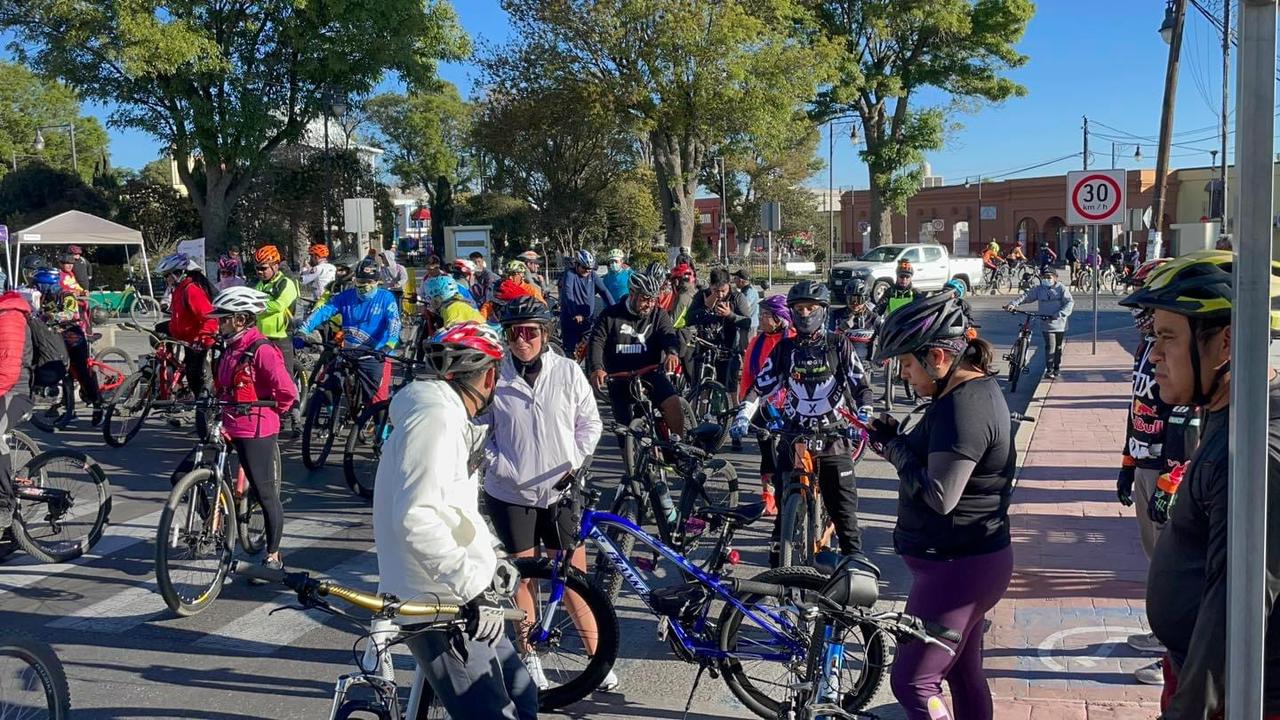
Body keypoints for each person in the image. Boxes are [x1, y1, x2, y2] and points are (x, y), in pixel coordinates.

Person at [1120, 250, 1280, 718]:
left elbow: (1237, 613)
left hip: (1231, 697)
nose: (1153, 358)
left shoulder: (1253, 454)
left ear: (1227, 343)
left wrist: (1190, 709)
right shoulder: (1229, 414)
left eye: (1167, 337)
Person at [372, 321, 538, 720]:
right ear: (489, 375)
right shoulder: (436, 421)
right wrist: (472, 587)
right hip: (438, 601)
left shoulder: (446, 415)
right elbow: (417, 518)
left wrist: (493, 555)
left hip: (464, 592)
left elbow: (454, 507)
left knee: (524, 697)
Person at [866, 291, 1014, 720]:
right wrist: (897, 440)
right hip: (965, 563)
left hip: (958, 568)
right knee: (963, 676)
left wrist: (894, 449)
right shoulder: (962, 397)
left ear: (938, 357)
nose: (906, 376)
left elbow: (939, 496)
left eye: (908, 365)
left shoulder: (964, 409)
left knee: (912, 682)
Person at [481, 297, 616, 692]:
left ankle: (598, 658)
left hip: (561, 490)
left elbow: (590, 424)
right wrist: (498, 463)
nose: (522, 341)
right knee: (524, 579)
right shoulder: (495, 375)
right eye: (514, 333)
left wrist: (573, 463)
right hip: (510, 492)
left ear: (545, 335)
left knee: (573, 578)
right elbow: (479, 427)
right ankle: (529, 658)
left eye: (530, 333)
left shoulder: (569, 372)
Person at [732, 280, 874, 562]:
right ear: (792, 313)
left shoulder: (838, 344)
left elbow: (861, 386)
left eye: (811, 307)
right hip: (794, 434)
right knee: (785, 499)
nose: (806, 313)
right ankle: (778, 559)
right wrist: (744, 413)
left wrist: (864, 413)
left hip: (834, 435)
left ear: (822, 310)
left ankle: (854, 566)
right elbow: (761, 385)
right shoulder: (785, 349)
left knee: (843, 510)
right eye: (799, 308)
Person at [1113, 258, 1201, 686]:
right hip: (1145, 462)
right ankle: (1162, 633)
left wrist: (1173, 479)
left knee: (1178, 565)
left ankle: (1176, 649)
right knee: (1157, 560)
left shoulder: (1180, 353)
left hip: (1171, 471)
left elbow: (1187, 420)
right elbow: (1139, 408)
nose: (1138, 317)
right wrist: (1127, 464)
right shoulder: (1146, 347)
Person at [208, 286, 298, 574]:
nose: (218, 323)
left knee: (265, 493)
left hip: (256, 427)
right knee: (182, 475)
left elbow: (287, 391)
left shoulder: (262, 350)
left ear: (241, 319)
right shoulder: (228, 347)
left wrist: (275, 413)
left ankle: (273, 556)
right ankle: (218, 523)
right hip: (228, 422)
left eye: (223, 318)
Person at [587, 269, 685, 443]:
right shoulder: (610, 315)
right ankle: (631, 468)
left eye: (653, 299)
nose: (649, 304)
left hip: (650, 372)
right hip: (620, 377)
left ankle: (678, 447)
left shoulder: (658, 315)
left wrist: (672, 352)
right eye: (645, 299)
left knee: (673, 403)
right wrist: (597, 368)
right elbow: (597, 342)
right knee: (624, 432)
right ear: (632, 294)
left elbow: (668, 335)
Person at [296, 263, 402, 405]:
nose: (365, 286)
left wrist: (390, 344)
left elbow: (394, 322)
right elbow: (323, 311)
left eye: (369, 282)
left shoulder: (386, 298)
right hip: (348, 351)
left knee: (378, 402)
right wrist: (303, 330)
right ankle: (331, 415)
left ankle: (379, 426)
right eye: (361, 281)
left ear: (377, 282)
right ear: (355, 281)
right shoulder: (345, 297)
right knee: (325, 385)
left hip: (376, 354)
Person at [737, 294, 794, 513]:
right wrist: (745, 406)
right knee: (767, 449)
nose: (760, 319)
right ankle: (768, 492)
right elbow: (748, 377)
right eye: (760, 315)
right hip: (763, 405)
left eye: (765, 315)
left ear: (779, 318)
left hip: (789, 406)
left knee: (790, 451)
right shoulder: (756, 342)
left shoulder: (793, 340)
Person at [156, 252, 218, 399]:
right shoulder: (178, 288)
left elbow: (209, 318)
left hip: (196, 339)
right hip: (183, 334)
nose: (166, 279)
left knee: (193, 376)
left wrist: (202, 340)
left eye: (167, 275)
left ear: (179, 273)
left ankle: (202, 407)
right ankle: (172, 372)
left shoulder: (191, 290)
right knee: (158, 330)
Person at [252, 245, 301, 432]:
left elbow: (278, 305)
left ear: (274, 266)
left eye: (263, 268)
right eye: (257, 268)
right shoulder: (260, 285)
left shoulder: (286, 283)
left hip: (281, 336)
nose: (260, 272)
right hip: (261, 337)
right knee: (260, 376)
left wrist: (257, 304)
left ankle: (296, 418)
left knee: (285, 378)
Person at [687, 268, 752, 390]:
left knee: (726, 389)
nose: (720, 295)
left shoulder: (737, 297)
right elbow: (688, 319)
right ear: (710, 286)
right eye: (715, 291)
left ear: (729, 285)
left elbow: (747, 322)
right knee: (698, 388)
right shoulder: (702, 295)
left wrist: (730, 315)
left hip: (727, 351)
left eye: (723, 291)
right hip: (704, 349)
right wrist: (706, 308)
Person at [1005, 268, 1074, 379]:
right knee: (1050, 346)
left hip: (1059, 323)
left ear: (1055, 278)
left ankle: (1056, 368)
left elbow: (1069, 303)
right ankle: (1049, 370)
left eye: (1049, 277)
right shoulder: (1039, 289)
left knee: (1058, 347)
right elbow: (1026, 296)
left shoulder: (1061, 289)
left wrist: (1059, 314)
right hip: (1046, 322)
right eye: (1044, 277)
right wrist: (1013, 304)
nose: (1046, 279)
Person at [558, 250, 615, 358]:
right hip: (571, 318)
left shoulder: (592, 275)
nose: (587, 271)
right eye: (584, 268)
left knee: (590, 349)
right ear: (577, 264)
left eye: (590, 269)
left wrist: (615, 308)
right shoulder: (570, 274)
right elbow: (568, 293)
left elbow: (604, 292)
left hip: (587, 319)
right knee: (570, 352)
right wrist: (575, 313)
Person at [829, 279, 880, 361]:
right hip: (840, 362)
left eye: (859, 300)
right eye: (851, 300)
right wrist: (840, 330)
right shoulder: (835, 315)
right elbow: (827, 342)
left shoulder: (874, 318)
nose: (855, 304)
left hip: (864, 364)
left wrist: (881, 356)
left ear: (866, 299)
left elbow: (887, 339)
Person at [732, 269, 760, 337]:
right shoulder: (745, 291)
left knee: (747, 346)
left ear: (741, 280)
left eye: (735, 278)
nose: (734, 281)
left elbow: (745, 307)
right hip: (746, 324)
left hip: (750, 325)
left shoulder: (749, 292)